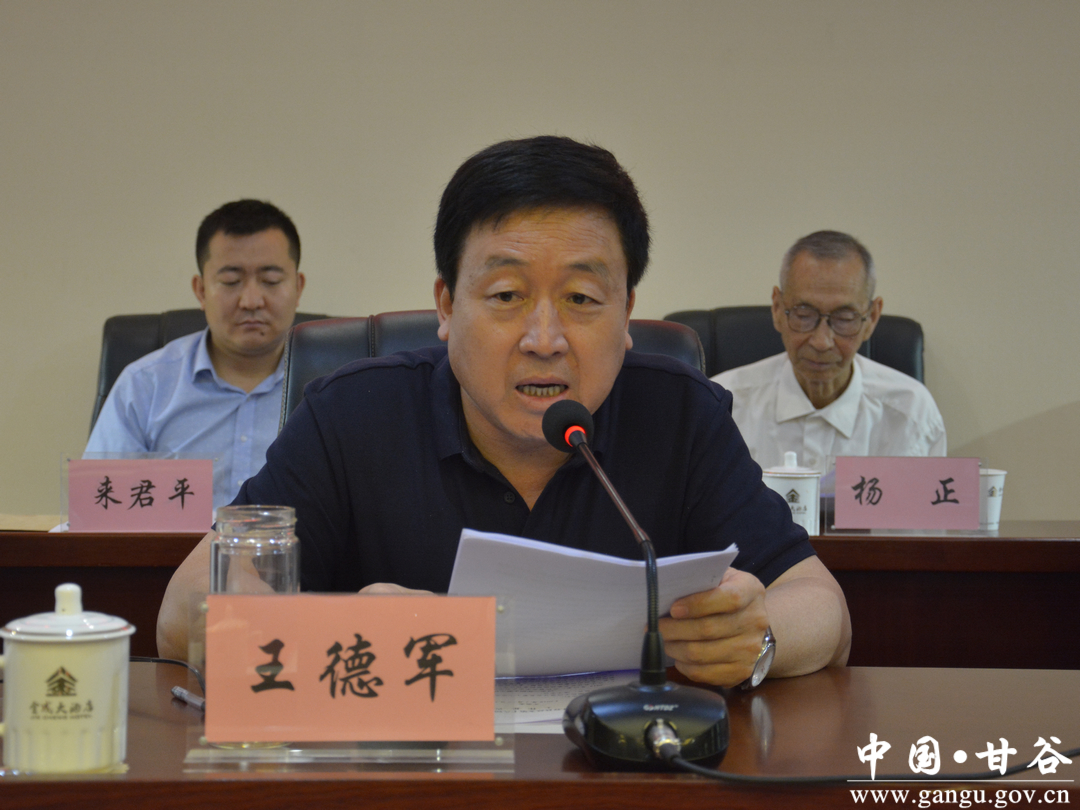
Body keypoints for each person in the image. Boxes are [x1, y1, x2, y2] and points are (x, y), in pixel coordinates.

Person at [158, 137, 850, 688]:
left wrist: (758, 638)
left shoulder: (680, 416)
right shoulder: (353, 416)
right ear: (446, 306)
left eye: (581, 300)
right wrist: (342, 634)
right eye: (506, 296)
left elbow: (822, 606)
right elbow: (186, 607)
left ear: (626, 314)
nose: (544, 339)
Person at [85, 199, 307, 510]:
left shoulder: (333, 390)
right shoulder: (144, 385)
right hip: (174, 546)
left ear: (298, 288)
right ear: (201, 290)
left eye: (270, 281)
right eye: (231, 281)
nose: (251, 300)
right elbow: (98, 511)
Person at [711, 231, 945, 480]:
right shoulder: (723, 407)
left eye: (844, 319)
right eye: (803, 315)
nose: (821, 342)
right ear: (777, 309)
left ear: (872, 318)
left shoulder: (911, 414)